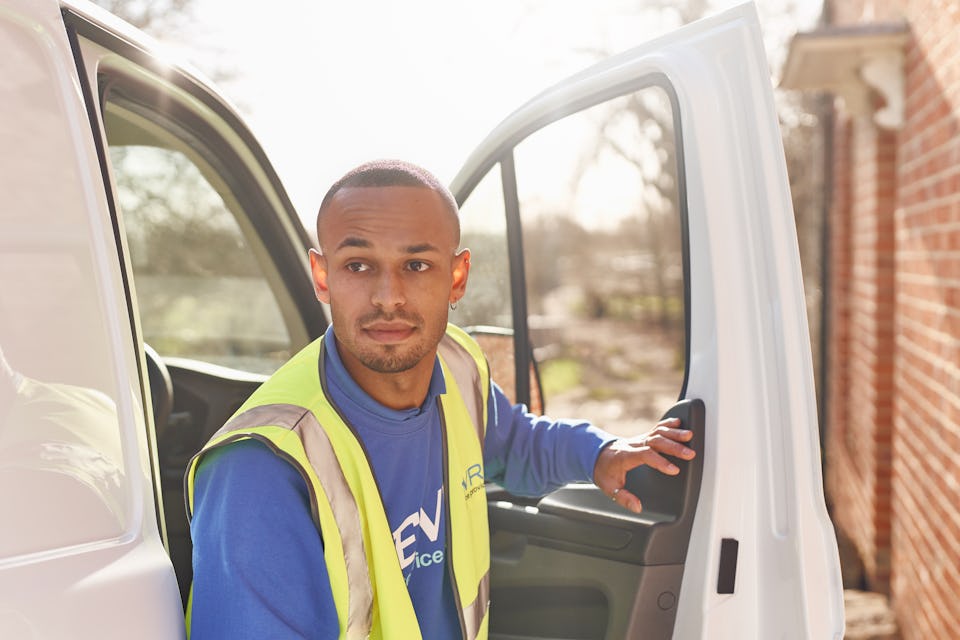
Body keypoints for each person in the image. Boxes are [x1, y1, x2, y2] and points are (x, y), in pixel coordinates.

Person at [186, 159, 695, 640]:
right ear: (323, 277)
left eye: (416, 264)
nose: (388, 296)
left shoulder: (458, 366)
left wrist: (598, 455)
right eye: (359, 265)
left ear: (457, 277)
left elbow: (514, 442)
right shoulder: (261, 469)